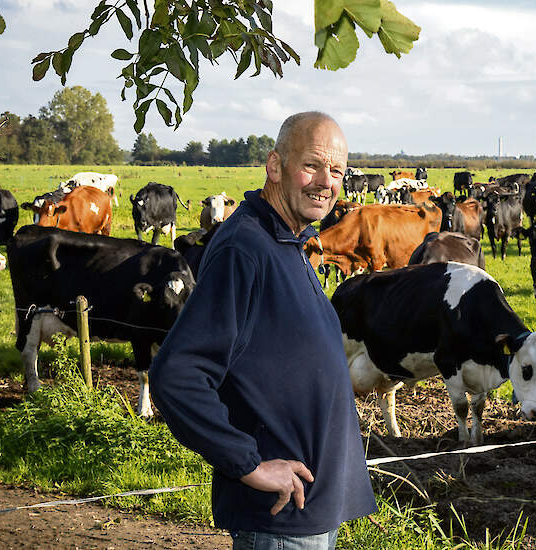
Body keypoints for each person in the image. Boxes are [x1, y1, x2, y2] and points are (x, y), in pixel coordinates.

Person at [149, 112, 377, 549]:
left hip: (309, 510)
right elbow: (177, 373)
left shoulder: (288, 240)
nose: (325, 182)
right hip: (279, 518)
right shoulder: (244, 249)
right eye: (312, 165)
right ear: (275, 166)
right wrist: (249, 464)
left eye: (337, 171)